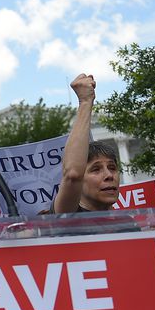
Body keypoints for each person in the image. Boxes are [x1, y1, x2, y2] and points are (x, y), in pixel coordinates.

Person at [51, 73, 119, 213]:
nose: (109, 175)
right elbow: (73, 174)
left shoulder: (129, 224)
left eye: (112, 168)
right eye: (96, 169)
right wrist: (85, 101)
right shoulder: (69, 218)